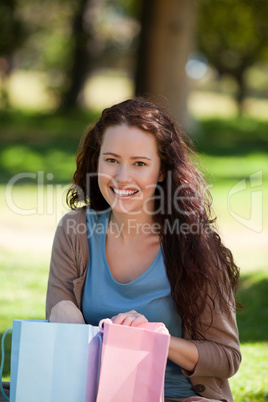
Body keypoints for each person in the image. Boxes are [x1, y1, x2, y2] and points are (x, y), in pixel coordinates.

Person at [46, 97, 241, 402]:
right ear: (97, 161)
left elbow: (226, 357)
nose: (123, 177)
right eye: (111, 160)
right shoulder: (75, 230)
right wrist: (63, 311)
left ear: (162, 170)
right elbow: (58, 309)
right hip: (89, 394)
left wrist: (158, 339)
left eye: (139, 163)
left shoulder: (194, 244)